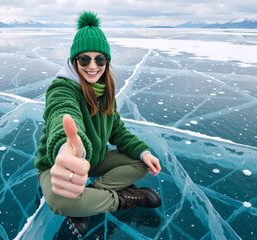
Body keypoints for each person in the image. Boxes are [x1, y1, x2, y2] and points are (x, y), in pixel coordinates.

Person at [33, 11, 162, 238]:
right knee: (59, 199)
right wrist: (68, 148)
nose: (93, 66)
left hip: (97, 158)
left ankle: (91, 195)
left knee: (141, 164)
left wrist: (142, 152)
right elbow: (61, 114)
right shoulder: (62, 89)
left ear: (107, 61)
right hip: (60, 164)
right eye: (84, 59)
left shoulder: (105, 90)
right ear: (74, 61)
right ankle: (124, 198)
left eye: (100, 59)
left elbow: (117, 130)